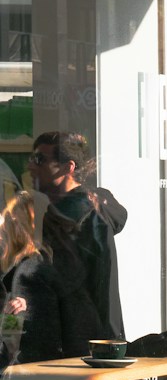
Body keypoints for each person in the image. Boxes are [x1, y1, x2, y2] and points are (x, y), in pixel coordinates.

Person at [28, 131, 127, 340]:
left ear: (68, 167)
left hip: (76, 345)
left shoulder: (78, 216)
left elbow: (99, 285)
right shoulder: (78, 210)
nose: (31, 166)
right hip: (84, 341)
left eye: (40, 160)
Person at [0, 193, 68, 364]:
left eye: (7, 222)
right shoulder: (40, 264)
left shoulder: (29, 271)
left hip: (27, 375)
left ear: (18, 225)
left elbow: (14, 338)